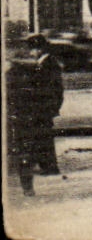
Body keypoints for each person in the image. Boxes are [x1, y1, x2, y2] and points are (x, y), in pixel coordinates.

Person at [6, 36, 65, 195]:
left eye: (32, 49)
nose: (31, 52)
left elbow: (50, 86)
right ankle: (48, 166)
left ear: (39, 49)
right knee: (44, 136)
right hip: (45, 105)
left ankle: (50, 166)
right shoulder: (45, 63)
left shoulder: (48, 64)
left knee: (44, 135)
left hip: (45, 106)